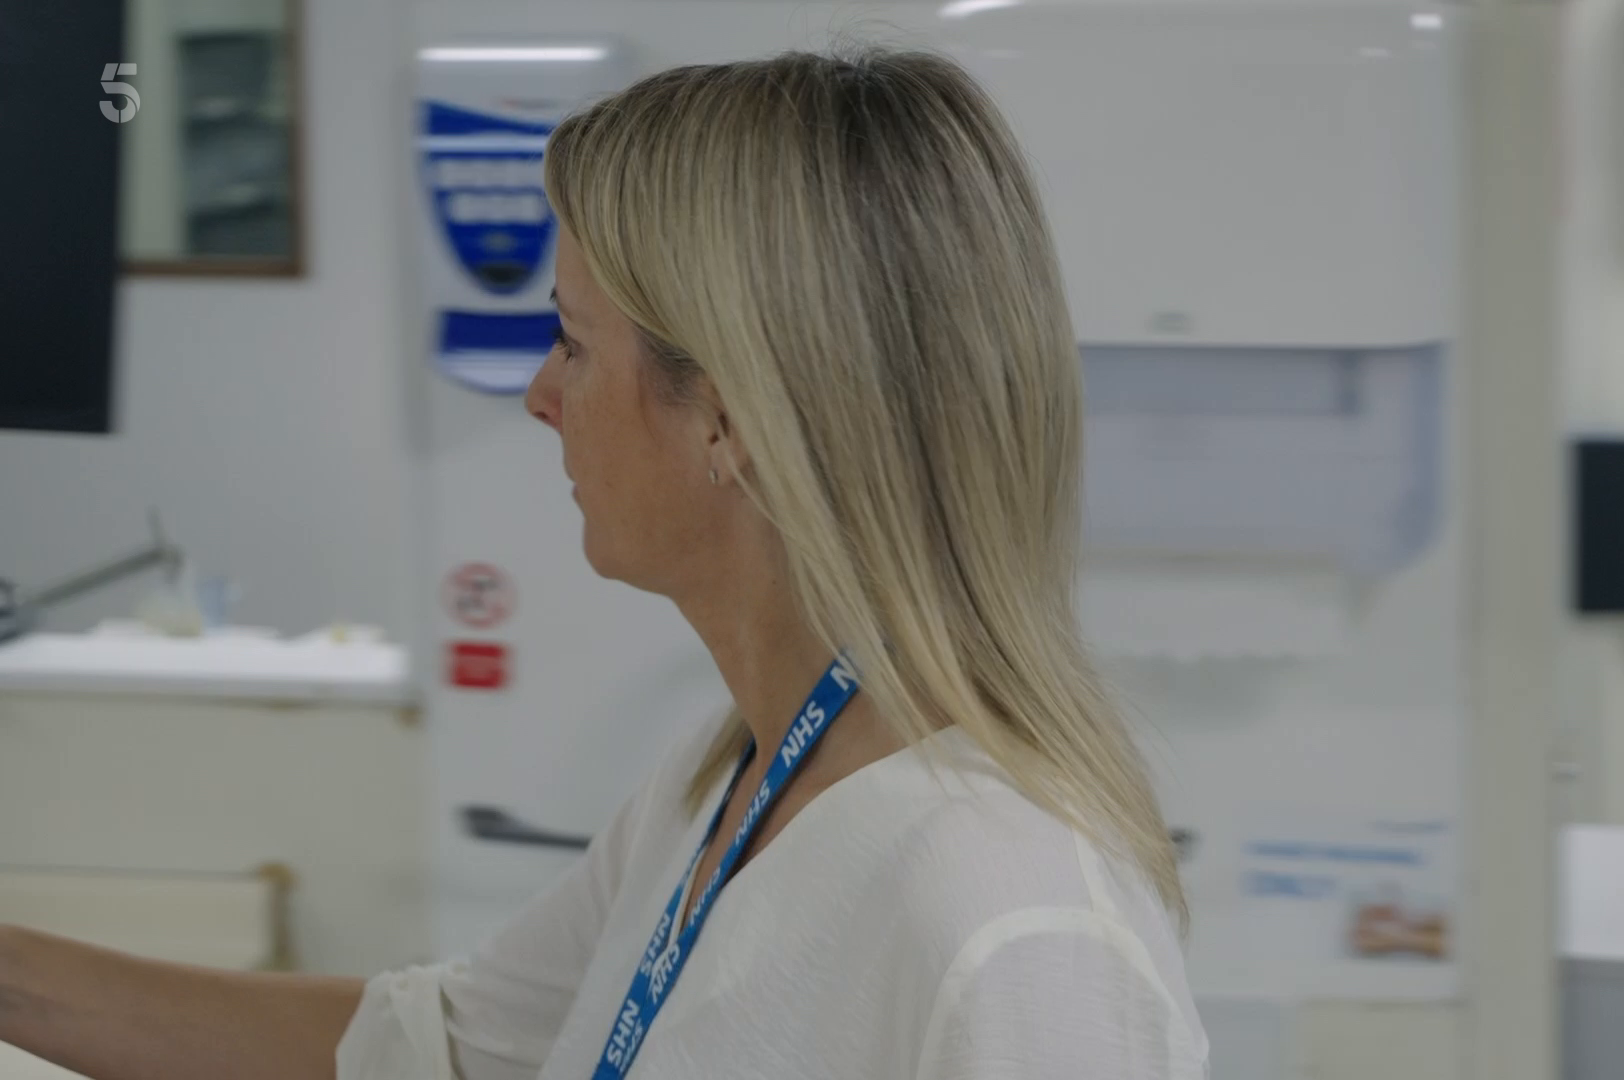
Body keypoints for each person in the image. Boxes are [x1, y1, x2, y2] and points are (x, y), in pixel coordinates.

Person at [0, 49, 1208, 1080]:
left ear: (727, 417)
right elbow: (438, 1051)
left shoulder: (1018, 927)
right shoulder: (732, 778)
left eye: (572, 344)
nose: (540, 395)